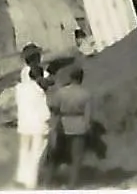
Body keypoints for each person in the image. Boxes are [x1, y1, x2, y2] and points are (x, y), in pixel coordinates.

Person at [46, 58, 95, 187]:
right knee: (76, 158)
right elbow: (88, 114)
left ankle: (48, 182)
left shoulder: (61, 92)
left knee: (56, 156)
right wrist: (88, 127)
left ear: (70, 77)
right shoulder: (86, 94)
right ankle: (72, 185)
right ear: (81, 78)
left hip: (63, 125)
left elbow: (54, 109)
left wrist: (53, 126)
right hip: (78, 126)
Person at [12, 55, 53, 190]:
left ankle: (21, 177)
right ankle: (31, 182)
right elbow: (48, 82)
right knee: (37, 152)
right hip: (38, 124)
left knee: (24, 150)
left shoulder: (20, 88)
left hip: (24, 123)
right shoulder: (40, 89)